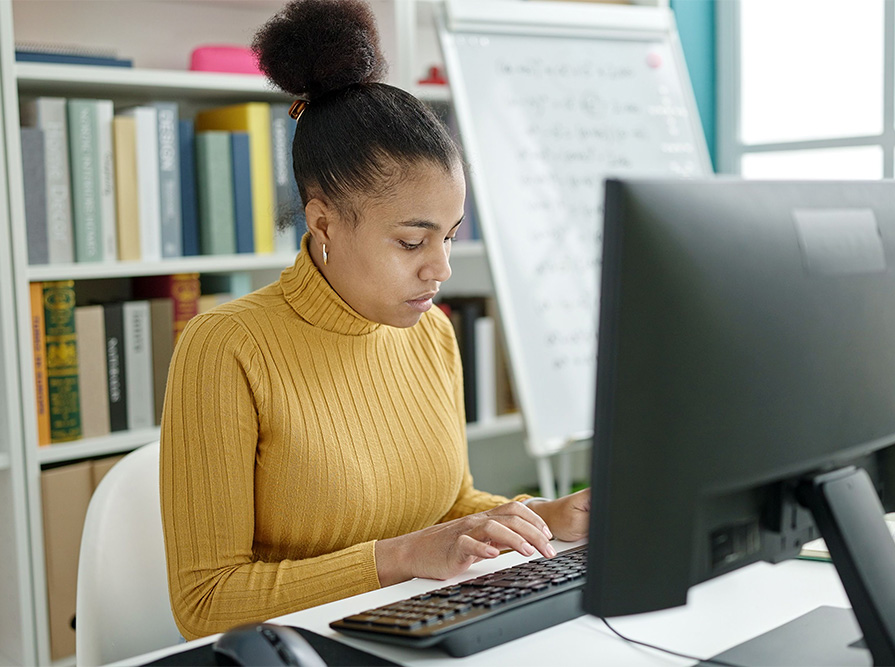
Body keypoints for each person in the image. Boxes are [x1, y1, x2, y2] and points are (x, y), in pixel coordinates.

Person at [160, 0, 590, 640]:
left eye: (448, 237)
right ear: (324, 222)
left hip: (411, 632)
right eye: (412, 243)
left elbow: (446, 505)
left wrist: (546, 515)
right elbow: (204, 601)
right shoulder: (226, 347)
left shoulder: (432, 333)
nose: (439, 269)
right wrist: (398, 558)